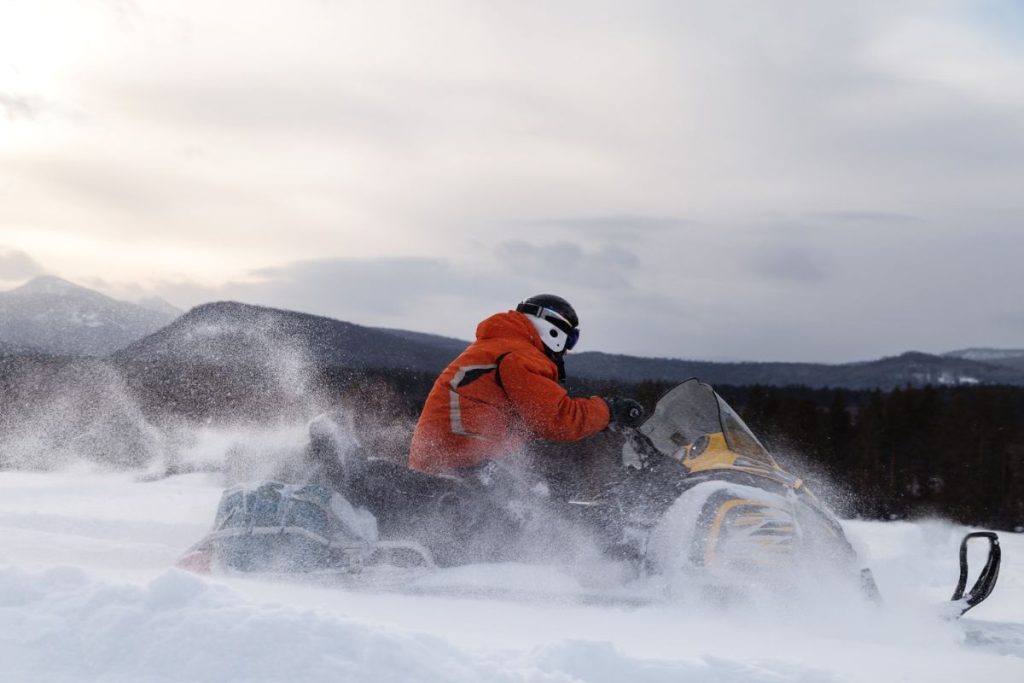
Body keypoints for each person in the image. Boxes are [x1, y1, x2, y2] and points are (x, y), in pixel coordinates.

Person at [408, 294, 645, 474]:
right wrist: (609, 410)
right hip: (466, 460)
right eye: (570, 340)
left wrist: (600, 422)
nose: (567, 350)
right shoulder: (520, 356)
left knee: (539, 488)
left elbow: (530, 421)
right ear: (553, 331)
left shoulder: (497, 347)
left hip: (446, 457)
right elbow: (557, 420)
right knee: (540, 510)